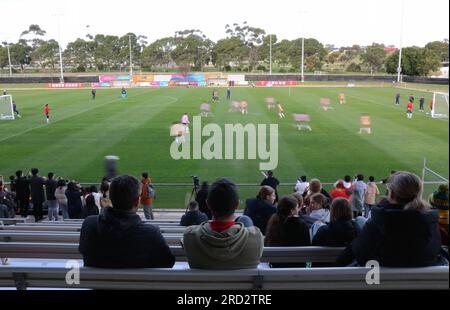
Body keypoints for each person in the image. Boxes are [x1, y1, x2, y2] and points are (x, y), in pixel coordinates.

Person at [338, 172, 443, 267]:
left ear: (392, 193)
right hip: (423, 283)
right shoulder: (431, 222)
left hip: (378, 282)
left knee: (360, 220)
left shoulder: (380, 221)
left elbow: (360, 254)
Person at [79, 175, 175, 268]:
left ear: (111, 198)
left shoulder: (89, 224)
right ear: (137, 201)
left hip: (95, 283)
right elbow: (168, 262)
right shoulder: (152, 233)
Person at [183, 178, 263, 269]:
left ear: (207, 204)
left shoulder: (189, 236)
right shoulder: (256, 236)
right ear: (237, 205)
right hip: (243, 282)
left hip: (203, 283)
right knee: (245, 219)